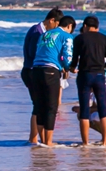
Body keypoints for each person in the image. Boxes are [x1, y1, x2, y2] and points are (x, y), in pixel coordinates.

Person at [31, 15, 75, 145]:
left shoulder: (45, 34)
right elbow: (67, 55)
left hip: (36, 69)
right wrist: (68, 68)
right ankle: (49, 141)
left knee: (40, 106)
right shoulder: (66, 36)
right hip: (50, 70)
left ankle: (43, 140)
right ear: (69, 26)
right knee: (51, 106)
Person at [69, 15, 106, 146]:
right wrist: (103, 67)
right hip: (99, 75)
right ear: (97, 27)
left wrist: (71, 68)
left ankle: (85, 143)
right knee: (102, 109)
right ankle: (105, 142)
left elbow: (75, 58)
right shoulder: (105, 39)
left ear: (85, 26)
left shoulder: (79, 38)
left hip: (84, 75)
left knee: (84, 109)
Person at [22, 9, 64, 143]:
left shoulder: (41, 32)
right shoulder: (37, 32)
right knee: (39, 105)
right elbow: (33, 53)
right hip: (32, 70)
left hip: (34, 70)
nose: (56, 29)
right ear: (52, 20)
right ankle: (34, 138)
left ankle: (36, 138)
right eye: (57, 25)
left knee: (40, 105)